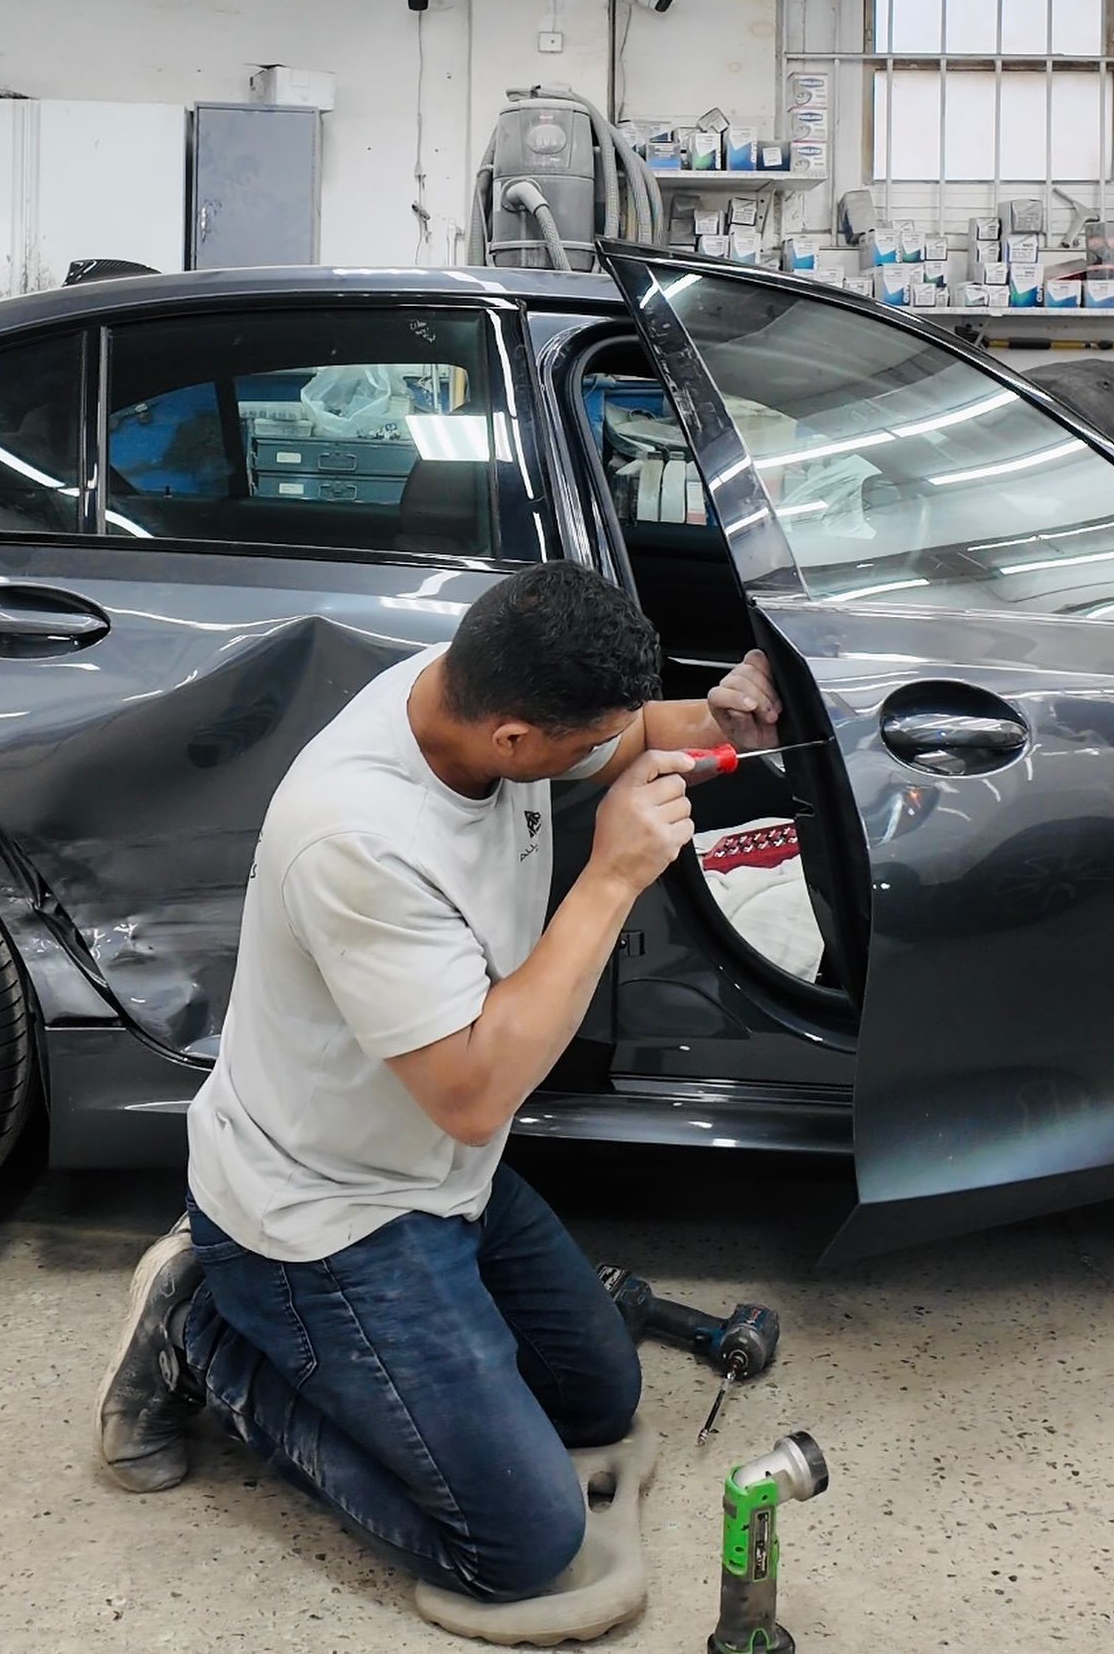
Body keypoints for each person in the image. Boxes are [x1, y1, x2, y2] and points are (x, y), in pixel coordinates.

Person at [94, 561, 780, 1602]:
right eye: (584, 738)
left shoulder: (470, 687)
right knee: (521, 1544)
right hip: (327, 1212)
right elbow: (471, 1090)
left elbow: (621, 732)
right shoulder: (359, 838)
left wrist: (713, 715)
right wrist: (612, 874)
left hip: (438, 1169)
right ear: (514, 740)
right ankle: (203, 1333)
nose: (609, 745)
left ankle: (307, 1334)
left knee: (600, 1398)